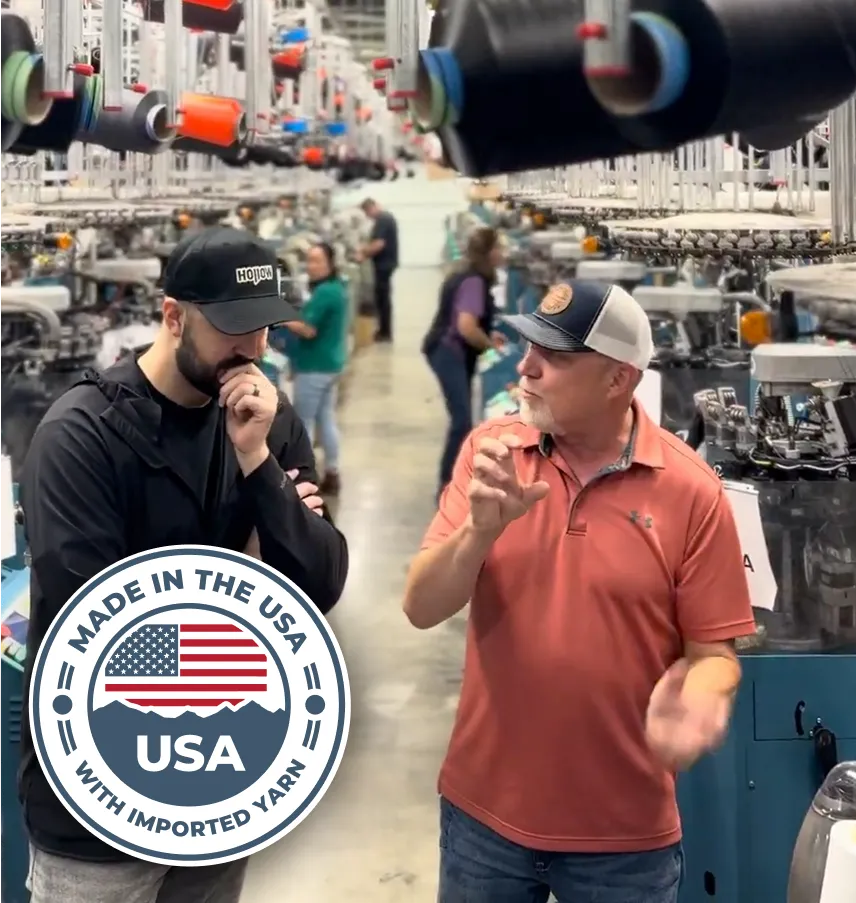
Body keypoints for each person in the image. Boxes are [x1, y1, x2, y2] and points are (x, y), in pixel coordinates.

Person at [18, 226, 350, 903]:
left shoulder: (267, 419)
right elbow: (107, 636)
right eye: (233, 328)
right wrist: (252, 575)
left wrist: (259, 464)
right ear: (173, 317)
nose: (252, 350)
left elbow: (318, 583)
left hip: (220, 784)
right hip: (100, 797)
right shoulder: (81, 436)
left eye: (264, 329)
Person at [403, 279, 755, 903]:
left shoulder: (691, 493)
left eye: (556, 358)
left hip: (624, 839)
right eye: (528, 346)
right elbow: (422, 607)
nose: (527, 367)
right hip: (485, 819)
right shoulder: (493, 454)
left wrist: (703, 698)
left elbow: (713, 656)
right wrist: (480, 532)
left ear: (618, 380)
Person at [422, 227, 505, 495]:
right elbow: (466, 327)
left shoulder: (462, 274)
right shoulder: (474, 281)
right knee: (462, 422)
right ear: (489, 252)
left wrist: (491, 335)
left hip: (444, 350)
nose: (503, 254)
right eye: (500, 248)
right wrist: (491, 348)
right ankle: (447, 488)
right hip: (449, 353)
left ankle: (452, 483)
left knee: (461, 419)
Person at [281, 242, 349, 496]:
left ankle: (305, 480)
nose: (311, 266)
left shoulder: (325, 293)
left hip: (314, 367)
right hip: (330, 365)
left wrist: (279, 316)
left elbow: (308, 330)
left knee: (303, 424)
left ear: (330, 264)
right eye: (308, 260)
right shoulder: (336, 288)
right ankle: (332, 472)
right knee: (326, 420)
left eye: (317, 261)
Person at [358, 198, 398, 342]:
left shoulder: (383, 219)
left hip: (384, 264)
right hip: (386, 263)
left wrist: (363, 254)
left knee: (382, 299)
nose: (368, 217)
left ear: (371, 208)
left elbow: (379, 244)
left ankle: (385, 333)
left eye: (367, 213)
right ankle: (383, 330)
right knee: (383, 298)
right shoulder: (386, 218)